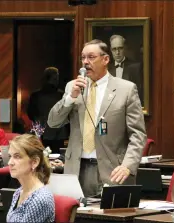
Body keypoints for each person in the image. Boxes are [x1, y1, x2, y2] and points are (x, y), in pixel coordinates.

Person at [48, 39, 146, 197]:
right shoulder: (73, 87)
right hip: (77, 169)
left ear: (106, 59)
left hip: (113, 170)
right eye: (83, 58)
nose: (85, 62)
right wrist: (70, 98)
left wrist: (128, 165)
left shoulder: (126, 89)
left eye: (91, 57)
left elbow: (138, 134)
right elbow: (53, 122)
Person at [6, 134, 55, 223]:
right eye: (10, 156)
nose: (10, 162)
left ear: (34, 162)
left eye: (17, 156)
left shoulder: (40, 199)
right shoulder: (18, 192)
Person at [27, 67, 69, 154]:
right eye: (55, 78)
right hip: (55, 133)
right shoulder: (61, 95)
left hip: (44, 132)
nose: (57, 80)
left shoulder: (36, 95)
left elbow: (31, 114)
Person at [108, 35, 143, 103]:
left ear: (125, 48)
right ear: (111, 50)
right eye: (114, 49)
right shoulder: (107, 68)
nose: (117, 52)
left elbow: (139, 92)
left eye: (120, 48)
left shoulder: (135, 67)